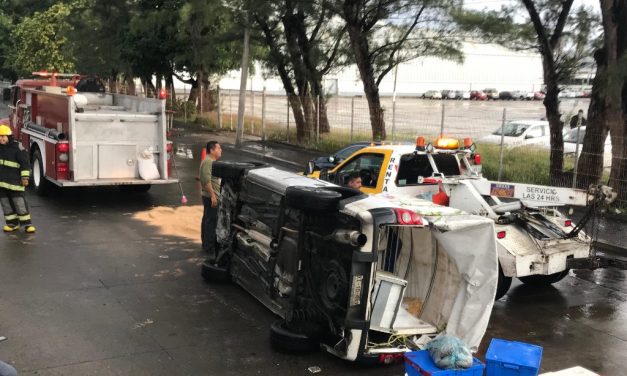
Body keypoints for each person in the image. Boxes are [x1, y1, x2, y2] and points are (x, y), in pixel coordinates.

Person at [0, 125, 35, 233]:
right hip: (2, 184)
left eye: (3, 136)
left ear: (9, 136)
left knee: (19, 203)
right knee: (6, 204)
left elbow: (25, 164)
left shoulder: (18, 148)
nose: (1, 138)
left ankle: (27, 224)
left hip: (16, 182)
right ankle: (12, 224)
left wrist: (25, 177)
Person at [199, 141, 222, 260]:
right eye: (218, 148)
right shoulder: (208, 161)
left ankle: (206, 244)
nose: (220, 150)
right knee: (210, 221)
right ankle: (208, 246)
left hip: (210, 195)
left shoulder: (210, 161)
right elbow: (206, 180)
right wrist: (213, 195)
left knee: (207, 219)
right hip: (210, 196)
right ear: (212, 150)